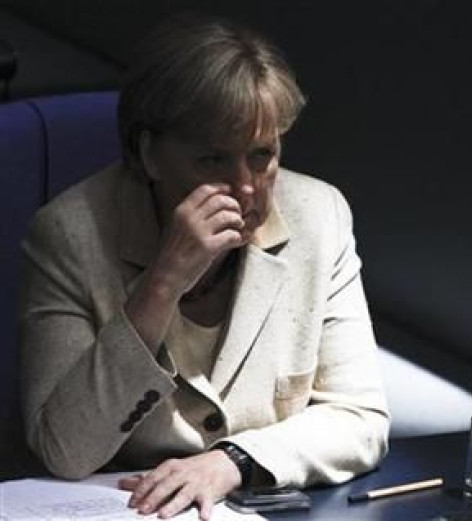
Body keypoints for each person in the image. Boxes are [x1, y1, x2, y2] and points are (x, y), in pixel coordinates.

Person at [19, 14, 389, 520]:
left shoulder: (319, 217)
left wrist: (232, 461)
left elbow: (361, 417)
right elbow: (65, 450)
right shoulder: (70, 235)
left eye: (261, 157)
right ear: (149, 154)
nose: (245, 187)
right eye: (213, 160)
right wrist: (162, 282)